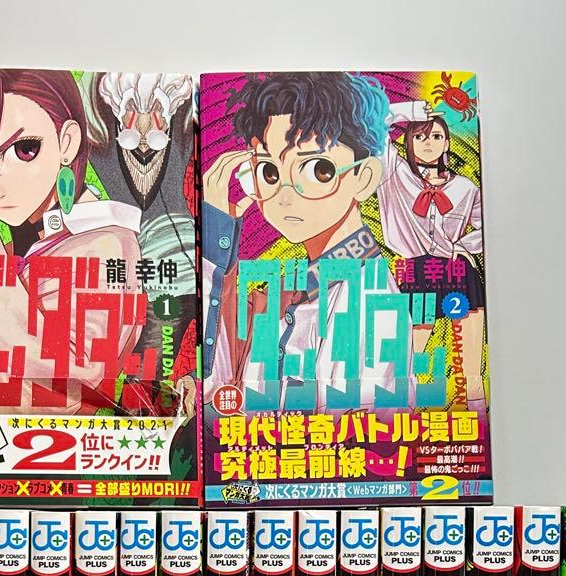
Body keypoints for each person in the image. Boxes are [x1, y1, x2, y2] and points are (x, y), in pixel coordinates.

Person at [0, 68, 143, 415]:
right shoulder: (10, 251)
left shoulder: (109, 246)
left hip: (41, 446)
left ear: (67, 143)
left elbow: (63, 386)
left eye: (24, 149)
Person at [201, 72, 413, 412]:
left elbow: (361, 433)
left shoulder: (369, 298)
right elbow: (216, 386)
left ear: (363, 178)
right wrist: (217, 238)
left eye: (318, 170)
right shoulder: (284, 292)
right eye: (269, 172)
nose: (284, 196)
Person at [376, 102, 486, 408]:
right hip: (416, 273)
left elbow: (488, 226)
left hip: (456, 272)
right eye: (420, 136)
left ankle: (476, 418)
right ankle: (397, 420)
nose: (428, 143)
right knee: (404, 364)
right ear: (408, 141)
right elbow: (376, 123)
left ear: (447, 143)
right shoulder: (394, 173)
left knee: (471, 369)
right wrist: (412, 110)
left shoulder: (465, 188)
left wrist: (463, 246)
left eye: (436, 136)